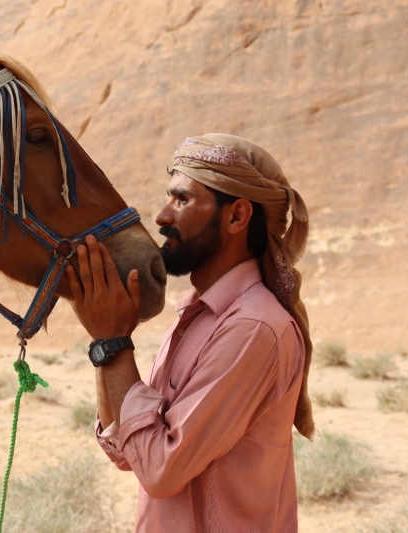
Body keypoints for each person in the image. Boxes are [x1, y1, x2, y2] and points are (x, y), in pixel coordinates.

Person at [64, 133, 315, 532]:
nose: (162, 216)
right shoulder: (198, 316)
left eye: (182, 200)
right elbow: (128, 452)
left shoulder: (253, 329)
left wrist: (114, 343)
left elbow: (160, 469)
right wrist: (104, 341)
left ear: (236, 217)